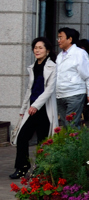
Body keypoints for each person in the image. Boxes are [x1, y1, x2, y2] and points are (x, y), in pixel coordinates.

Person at [10, 37, 57, 178]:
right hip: (31, 109)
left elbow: (49, 90)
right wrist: (23, 109)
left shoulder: (52, 67)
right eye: (35, 48)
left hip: (44, 109)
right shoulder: (33, 67)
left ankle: (41, 169)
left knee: (43, 141)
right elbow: (29, 90)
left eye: (40, 48)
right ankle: (22, 167)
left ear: (47, 51)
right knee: (22, 137)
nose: (37, 50)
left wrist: (36, 105)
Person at [55, 27, 89, 127]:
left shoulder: (79, 53)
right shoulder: (60, 55)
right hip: (60, 94)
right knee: (65, 124)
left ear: (70, 39)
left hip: (75, 93)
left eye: (61, 38)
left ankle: (75, 137)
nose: (58, 40)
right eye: (58, 38)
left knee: (71, 124)